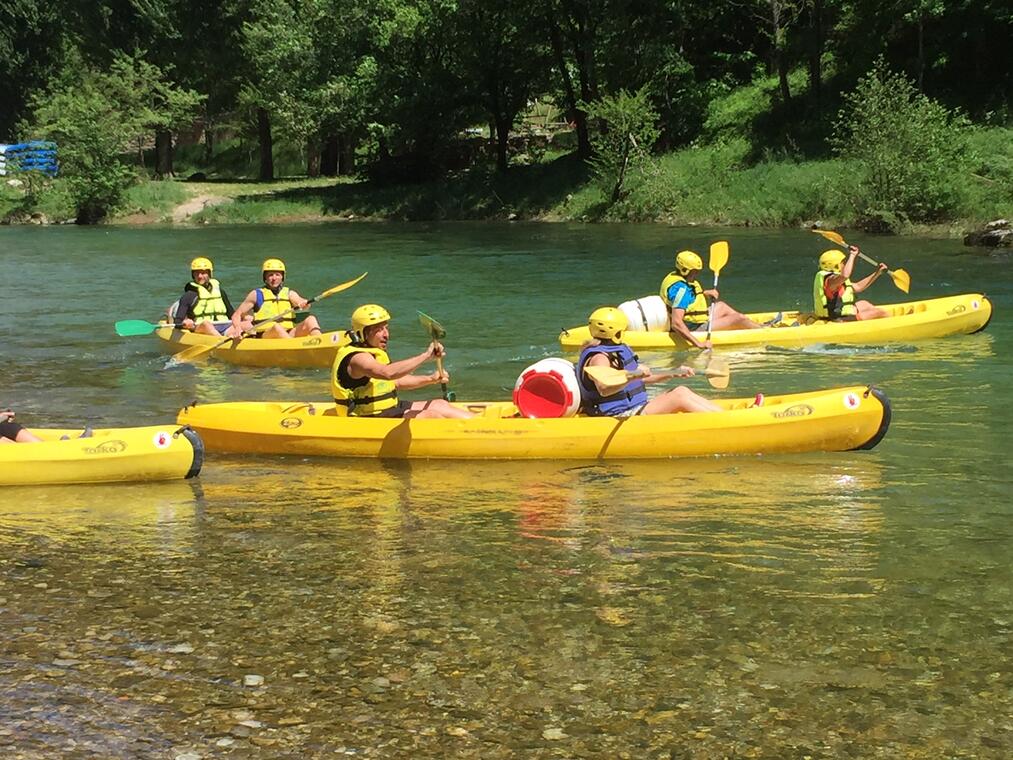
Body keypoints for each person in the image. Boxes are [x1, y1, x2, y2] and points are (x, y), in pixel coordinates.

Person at [331, 304, 474, 419]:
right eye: (378, 330)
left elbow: (395, 382)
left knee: (440, 404)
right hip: (367, 417)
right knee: (429, 416)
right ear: (362, 333)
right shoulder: (358, 358)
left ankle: (480, 426)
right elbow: (388, 374)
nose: (386, 334)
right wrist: (425, 356)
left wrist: (430, 379)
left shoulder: (374, 352)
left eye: (386, 328)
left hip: (388, 409)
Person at [577, 307, 723, 416]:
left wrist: (674, 372)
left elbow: (643, 378)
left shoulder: (616, 350)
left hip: (633, 408)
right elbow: (604, 388)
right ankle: (723, 424)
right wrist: (633, 376)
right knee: (679, 397)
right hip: (618, 415)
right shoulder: (599, 358)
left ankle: (723, 416)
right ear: (615, 331)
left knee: (681, 390)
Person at [660, 250, 764, 350]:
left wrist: (705, 293)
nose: (696, 274)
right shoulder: (681, 290)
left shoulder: (675, 277)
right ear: (685, 270)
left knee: (722, 306)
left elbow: (684, 298)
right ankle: (764, 332)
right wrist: (699, 344)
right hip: (693, 328)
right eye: (694, 271)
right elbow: (676, 323)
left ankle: (754, 326)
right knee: (739, 318)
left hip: (695, 320)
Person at [231, 258, 322, 339]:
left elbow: (304, 304)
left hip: (288, 333)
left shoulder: (290, 293)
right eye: (270, 275)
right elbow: (236, 315)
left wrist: (304, 304)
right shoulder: (256, 294)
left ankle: (319, 341)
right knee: (276, 327)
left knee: (311, 319)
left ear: (282, 277)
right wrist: (237, 328)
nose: (274, 278)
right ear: (265, 278)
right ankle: (293, 348)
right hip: (266, 335)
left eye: (277, 275)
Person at [171, 257, 249, 337]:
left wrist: (244, 318)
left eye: (203, 273)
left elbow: (231, 314)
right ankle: (222, 341)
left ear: (209, 274)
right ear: (193, 275)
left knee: (247, 324)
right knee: (206, 324)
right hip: (201, 328)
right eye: (196, 273)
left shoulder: (220, 292)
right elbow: (177, 322)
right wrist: (185, 323)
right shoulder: (189, 295)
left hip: (224, 326)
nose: (200, 276)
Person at [814, 247, 889, 321]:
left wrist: (878, 273)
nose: (844, 264)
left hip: (842, 315)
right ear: (836, 265)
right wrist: (852, 255)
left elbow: (858, 287)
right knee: (881, 312)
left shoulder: (836, 279)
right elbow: (845, 276)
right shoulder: (830, 281)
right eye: (843, 262)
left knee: (864, 304)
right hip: (837, 319)